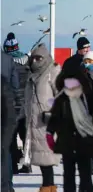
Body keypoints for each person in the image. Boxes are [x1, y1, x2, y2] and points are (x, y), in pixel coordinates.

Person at [47, 64, 93, 192]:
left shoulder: (82, 96)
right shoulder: (65, 98)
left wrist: (50, 133)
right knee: (76, 174)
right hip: (75, 139)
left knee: (78, 174)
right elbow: (55, 117)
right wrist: (49, 132)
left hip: (76, 140)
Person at [24, 44, 61, 191]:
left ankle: (47, 187)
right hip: (33, 122)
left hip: (47, 122)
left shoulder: (52, 71)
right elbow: (28, 99)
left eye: (39, 58)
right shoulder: (31, 74)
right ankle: (49, 187)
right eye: (34, 58)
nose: (35, 61)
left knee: (46, 159)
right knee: (42, 160)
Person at [4, 33, 30, 175]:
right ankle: (27, 163)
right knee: (25, 136)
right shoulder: (27, 62)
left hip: (11, 104)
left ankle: (13, 164)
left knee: (12, 136)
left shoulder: (6, 64)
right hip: (25, 104)